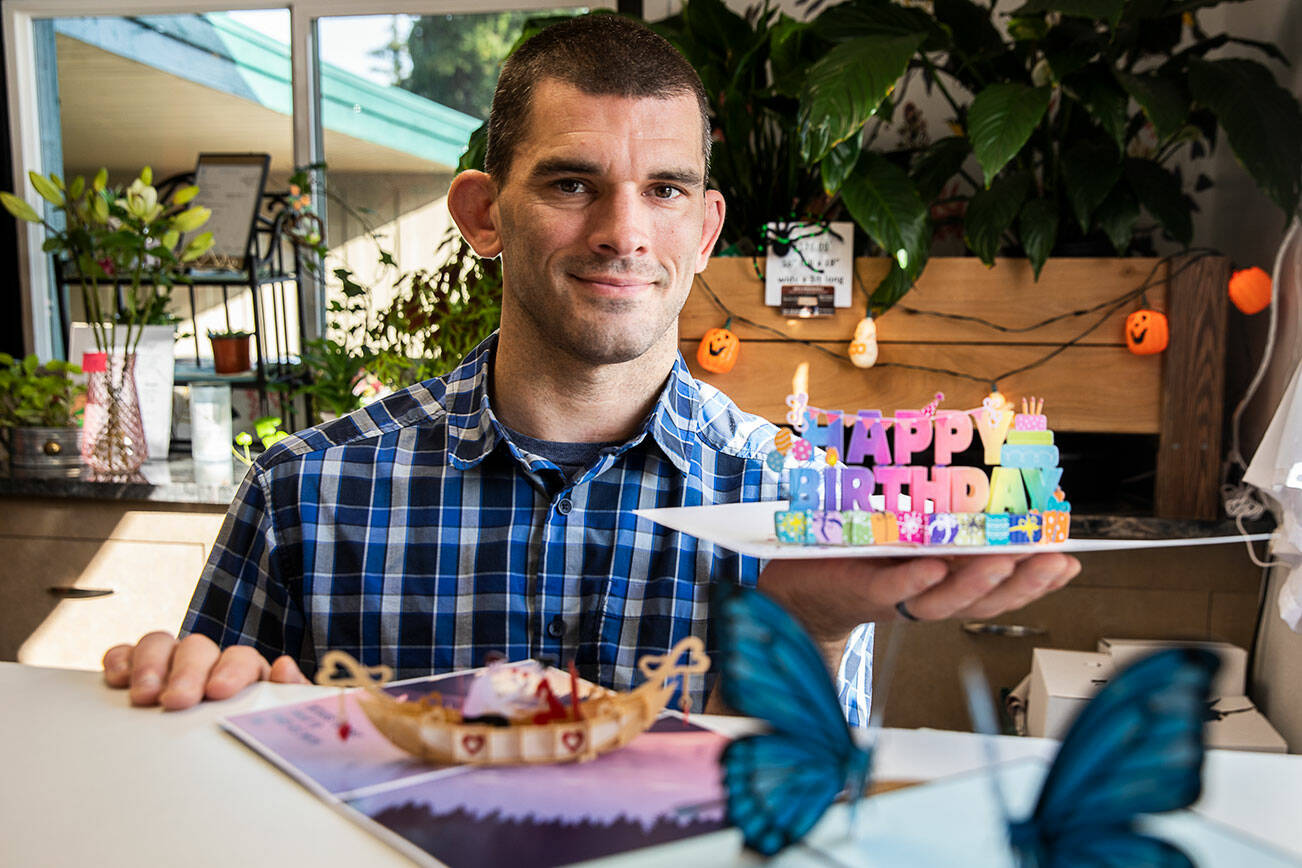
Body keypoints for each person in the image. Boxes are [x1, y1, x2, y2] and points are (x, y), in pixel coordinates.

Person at [103, 15, 1079, 723]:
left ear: (703, 231)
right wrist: (186, 690)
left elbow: (793, 817)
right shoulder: (303, 492)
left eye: (665, 190)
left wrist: (813, 628)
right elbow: (215, 758)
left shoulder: (801, 502)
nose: (623, 233)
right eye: (574, 183)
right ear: (484, 213)